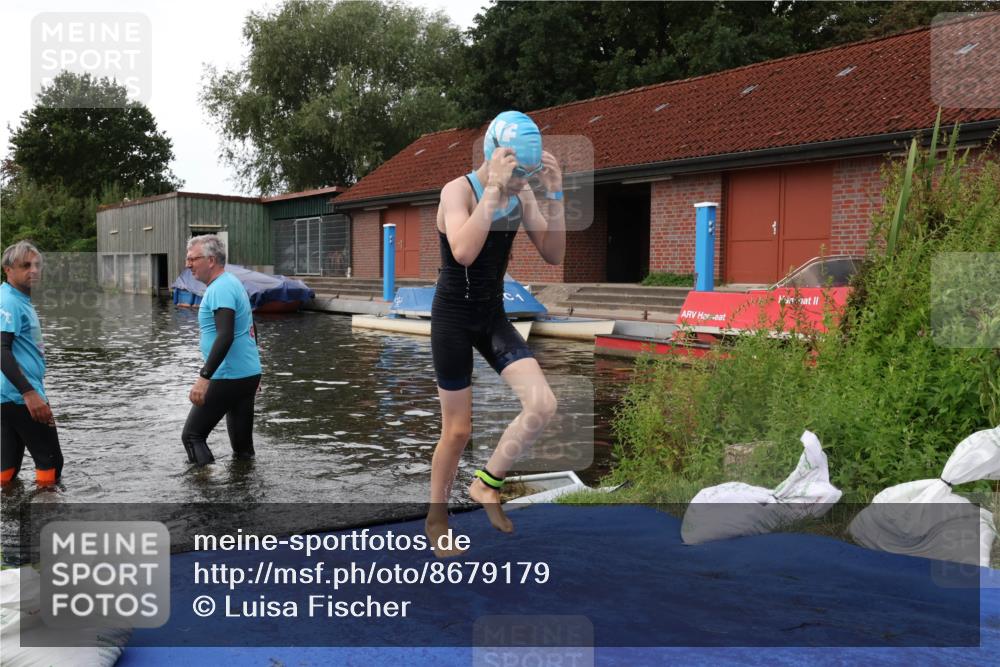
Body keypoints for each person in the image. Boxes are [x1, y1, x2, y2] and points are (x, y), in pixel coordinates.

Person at [426, 110, 565, 557]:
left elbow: (554, 254)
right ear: (495, 155)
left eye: (527, 174)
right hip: (452, 316)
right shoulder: (458, 191)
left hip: (491, 316)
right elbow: (464, 251)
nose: (521, 181)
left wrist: (554, 195)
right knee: (458, 430)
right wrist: (492, 190)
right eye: (517, 172)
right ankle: (436, 519)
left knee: (543, 403)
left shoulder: (520, 194)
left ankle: (486, 484)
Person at [182, 234, 262, 466]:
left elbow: (225, 335)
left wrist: (204, 377)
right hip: (245, 375)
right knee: (242, 448)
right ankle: (243, 492)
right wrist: (255, 370)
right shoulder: (233, 282)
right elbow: (251, 327)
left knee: (192, 436)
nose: (188, 264)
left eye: (192, 259)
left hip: (226, 375)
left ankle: (204, 492)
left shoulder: (220, 289)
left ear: (211, 260)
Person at [1, 241, 63, 487]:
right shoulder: (9, 302)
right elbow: (1, 349)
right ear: (8, 269)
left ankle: (7, 511)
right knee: (50, 462)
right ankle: (43, 519)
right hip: (21, 396)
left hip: (8, 396)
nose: (34, 270)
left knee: (8, 464)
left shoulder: (16, 298)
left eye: (37, 265)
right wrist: (29, 393)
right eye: (26, 265)